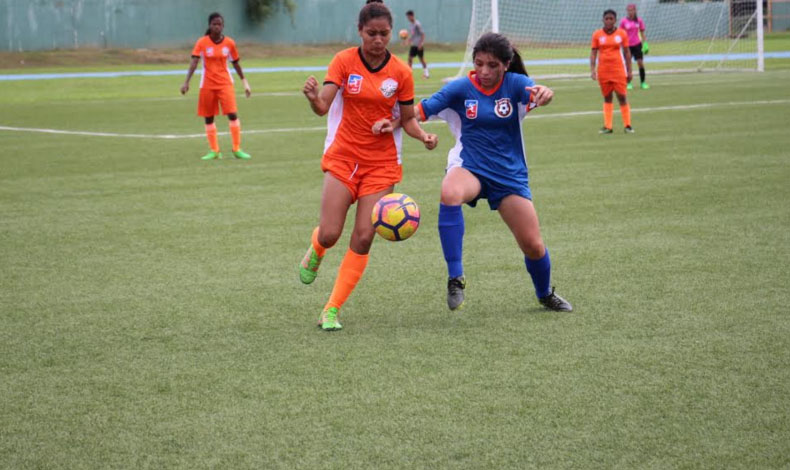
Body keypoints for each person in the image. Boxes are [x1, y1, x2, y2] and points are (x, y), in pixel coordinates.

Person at [385, 32, 572, 313]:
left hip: (508, 175)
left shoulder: (516, 84)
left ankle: (544, 293)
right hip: (470, 166)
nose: (484, 71)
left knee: (533, 246)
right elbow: (418, 111)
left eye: (492, 65)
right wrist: (391, 122)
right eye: (479, 63)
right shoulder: (460, 89)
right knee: (449, 192)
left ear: (506, 65)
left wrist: (546, 93)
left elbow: (537, 92)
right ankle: (455, 278)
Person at [299, 2, 438, 331]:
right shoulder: (344, 61)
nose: (378, 39)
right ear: (360, 31)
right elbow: (323, 107)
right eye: (371, 33)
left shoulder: (401, 73)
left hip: (382, 165)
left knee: (363, 238)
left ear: (392, 33)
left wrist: (424, 136)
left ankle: (331, 309)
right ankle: (317, 248)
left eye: (384, 34)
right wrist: (312, 96)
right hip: (344, 157)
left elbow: (407, 120)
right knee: (331, 233)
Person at [181, 12, 252, 160]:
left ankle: (237, 149)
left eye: (219, 24)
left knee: (232, 114)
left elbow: (236, 63)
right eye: (214, 24)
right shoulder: (202, 42)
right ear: (209, 25)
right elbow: (194, 62)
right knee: (208, 117)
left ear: (223, 26)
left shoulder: (230, 43)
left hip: (225, 84)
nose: (217, 27)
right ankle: (215, 151)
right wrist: (186, 82)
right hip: (207, 85)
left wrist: (244, 82)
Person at [590, 9, 634, 134]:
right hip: (603, 71)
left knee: (622, 97)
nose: (609, 21)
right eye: (606, 18)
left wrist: (629, 71)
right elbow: (593, 53)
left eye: (611, 19)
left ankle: (628, 125)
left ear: (615, 20)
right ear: (603, 20)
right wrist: (593, 70)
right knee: (607, 97)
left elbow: (627, 53)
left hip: (618, 70)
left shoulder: (621, 34)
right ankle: (608, 126)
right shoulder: (597, 35)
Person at [621, 3, 649, 90]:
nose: (630, 12)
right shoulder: (623, 21)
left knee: (640, 63)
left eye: (632, 10)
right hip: (627, 46)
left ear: (635, 11)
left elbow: (642, 33)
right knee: (628, 65)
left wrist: (645, 44)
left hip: (637, 44)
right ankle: (628, 83)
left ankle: (643, 82)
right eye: (629, 10)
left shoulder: (639, 21)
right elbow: (620, 33)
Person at [405, 10, 429, 78]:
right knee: (410, 58)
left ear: (412, 16)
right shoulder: (411, 25)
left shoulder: (417, 24)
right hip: (414, 45)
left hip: (419, 45)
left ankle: (426, 73)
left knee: (421, 59)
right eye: (407, 17)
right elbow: (413, 35)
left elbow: (423, 34)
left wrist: (421, 44)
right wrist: (408, 41)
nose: (408, 19)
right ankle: (409, 73)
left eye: (409, 17)